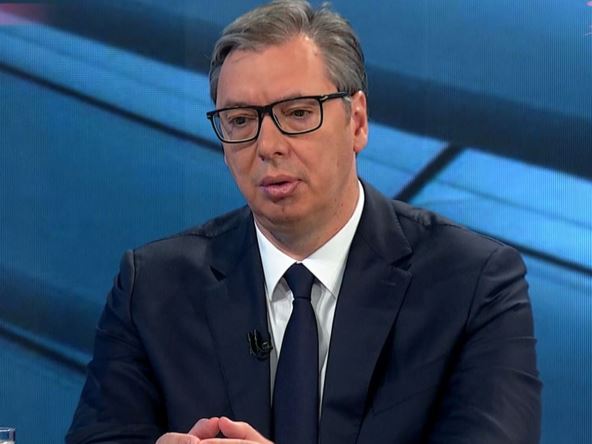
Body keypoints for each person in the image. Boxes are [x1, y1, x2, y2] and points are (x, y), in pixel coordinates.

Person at [66, 1, 542, 443]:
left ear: (357, 122)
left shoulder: (473, 284)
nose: (268, 145)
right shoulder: (153, 288)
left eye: (297, 113)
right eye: (240, 120)